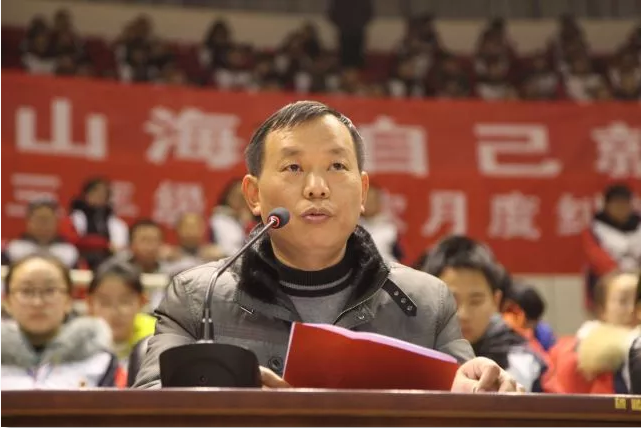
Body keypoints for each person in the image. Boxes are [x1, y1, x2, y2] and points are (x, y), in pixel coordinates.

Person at [133, 100, 523, 392]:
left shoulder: (426, 302)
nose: (317, 187)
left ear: (363, 191)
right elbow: (147, 413)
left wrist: (488, 395)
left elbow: (464, 404)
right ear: (252, 194)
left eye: (337, 167)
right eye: (293, 168)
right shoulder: (198, 296)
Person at [422, 235, 547, 391]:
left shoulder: (524, 365)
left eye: (476, 301)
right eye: (451, 300)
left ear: (496, 301)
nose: (463, 314)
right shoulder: (414, 354)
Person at [1, 255, 120, 389]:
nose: (37, 302)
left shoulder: (99, 359)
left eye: (49, 291)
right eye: (26, 291)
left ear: (69, 299)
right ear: (7, 301)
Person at [543, 271, 640, 394]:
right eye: (622, 301)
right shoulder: (573, 353)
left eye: (637, 300)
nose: (632, 309)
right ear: (602, 309)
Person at [86, 261, 156, 368]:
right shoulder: (79, 341)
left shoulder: (157, 336)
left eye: (125, 301)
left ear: (142, 301)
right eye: (105, 303)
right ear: (90, 303)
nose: (115, 312)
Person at [583, 184, 641, 311]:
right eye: (617, 203)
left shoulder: (638, 226)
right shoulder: (595, 229)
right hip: (607, 286)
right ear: (606, 205)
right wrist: (619, 273)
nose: (621, 207)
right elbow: (595, 256)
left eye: (625, 203)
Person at [61, 177, 129, 270]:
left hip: (108, 263)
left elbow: (119, 247)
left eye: (104, 194)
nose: (99, 196)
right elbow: (73, 240)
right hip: (79, 261)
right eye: (95, 192)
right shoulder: (74, 218)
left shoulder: (116, 223)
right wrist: (104, 244)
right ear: (86, 194)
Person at [2, 200, 79, 268]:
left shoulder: (69, 252)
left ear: (57, 222)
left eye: (47, 220)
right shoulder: (13, 249)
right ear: (28, 222)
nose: (43, 225)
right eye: (39, 219)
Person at [209, 179, 254, 257]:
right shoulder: (219, 219)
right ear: (228, 196)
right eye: (236, 196)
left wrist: (248, 223)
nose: (239, 201)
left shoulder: (251, 219)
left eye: (243, 197)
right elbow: (229, 249)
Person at [359, 185, 404, 262]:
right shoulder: (353, 228)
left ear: (379, 202)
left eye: (372, 200)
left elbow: (401, 256)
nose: (368, 204)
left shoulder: (391, 230)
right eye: (366, 200)